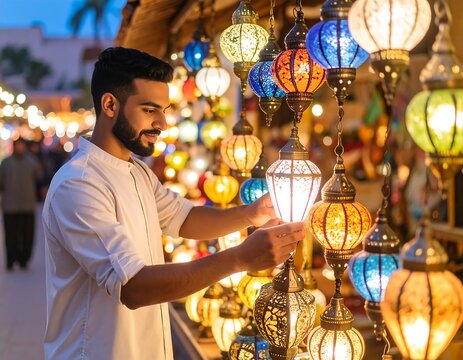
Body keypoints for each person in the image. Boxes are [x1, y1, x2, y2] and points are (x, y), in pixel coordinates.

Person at [42, 47, 305, 360]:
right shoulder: (78, 184)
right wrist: (240, 259)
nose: (162, 123)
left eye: (164, 110)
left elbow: (185, 219)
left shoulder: (136, 171)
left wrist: (251, 213)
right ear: (110, 104)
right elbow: (134, 286)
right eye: (150, 110)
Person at [0, 137, 43, 271]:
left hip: (27, 204)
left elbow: (40, 179)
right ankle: (11, 260)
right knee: (10, 234)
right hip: (10, 205)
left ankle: (24, 259)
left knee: (27, 234)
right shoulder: (6, 163)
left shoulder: (32, 162)